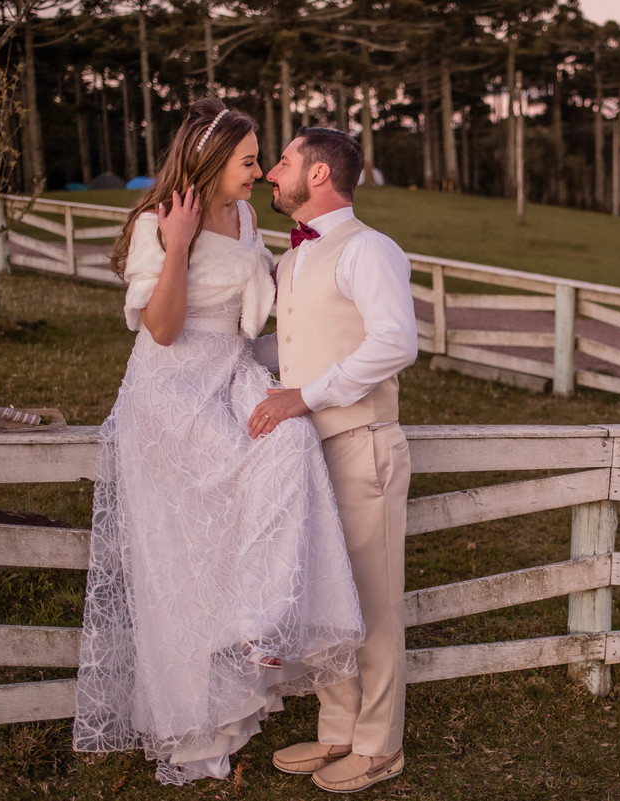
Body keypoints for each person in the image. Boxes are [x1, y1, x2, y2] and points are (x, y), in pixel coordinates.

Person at [73, 100, 365, 786]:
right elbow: (164, 329)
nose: (260, 171)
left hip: (230, 374)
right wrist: (176, 245)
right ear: (209, 162)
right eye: (247, 161)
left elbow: (255, 314)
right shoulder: (156, 224)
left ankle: (258, 624)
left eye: (261, 158)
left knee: (289, 445)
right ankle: (194, 726)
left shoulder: (247, 218)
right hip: (170, 391)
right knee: (186, 565)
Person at [248, 127, 418, 793]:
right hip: (305, 458)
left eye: (283, 161)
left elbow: (395, 341)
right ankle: (338, 730)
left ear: (319, 174)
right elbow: (293, 354)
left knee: (372, 603)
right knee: (326, 596)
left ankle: (379, 745)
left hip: (360, 445)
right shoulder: (291, 261)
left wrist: (307, 397)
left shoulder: (369, 249)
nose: (271, 173)